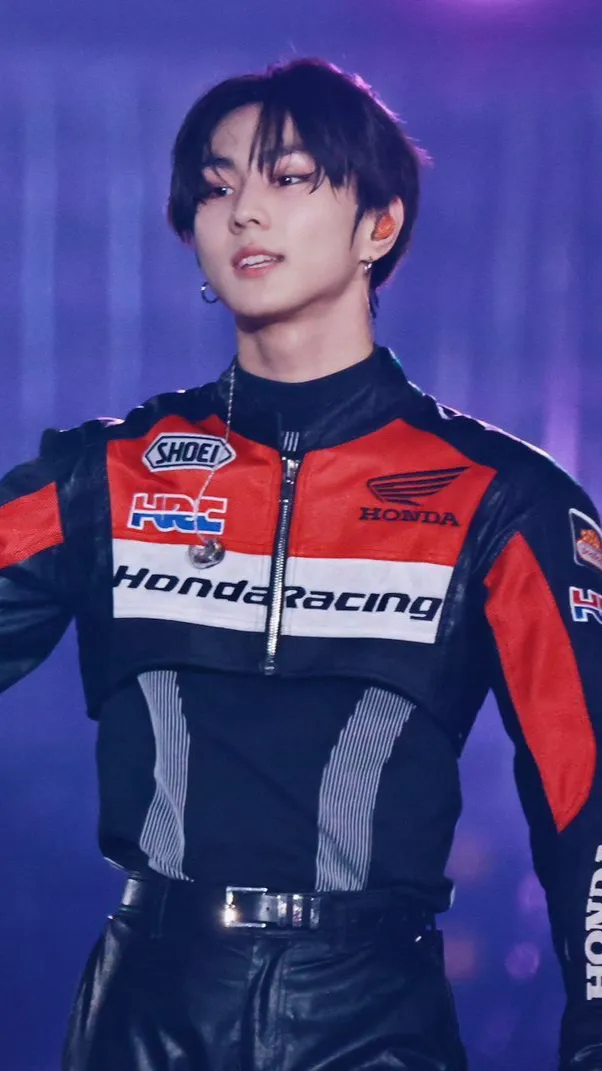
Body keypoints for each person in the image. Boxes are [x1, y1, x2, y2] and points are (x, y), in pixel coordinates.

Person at [1, 56, 601, 1071]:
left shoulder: (503, 499)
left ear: (379, 225)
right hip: (147, 1002)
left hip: (371, 1012)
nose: (243, 210)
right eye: (214, 186)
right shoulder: (103, 476)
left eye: (287, 177)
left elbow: (586, 790)